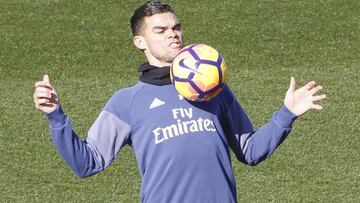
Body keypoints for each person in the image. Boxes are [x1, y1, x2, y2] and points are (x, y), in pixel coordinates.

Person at [33, 1, 326, 202]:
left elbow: (249, 151)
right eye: (160, 30)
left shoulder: (214, 89)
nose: (173, 35)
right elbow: (87, 163)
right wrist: (55, 116)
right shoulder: (127, 102)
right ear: (140, 42)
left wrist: (287, 113)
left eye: (175, 27)